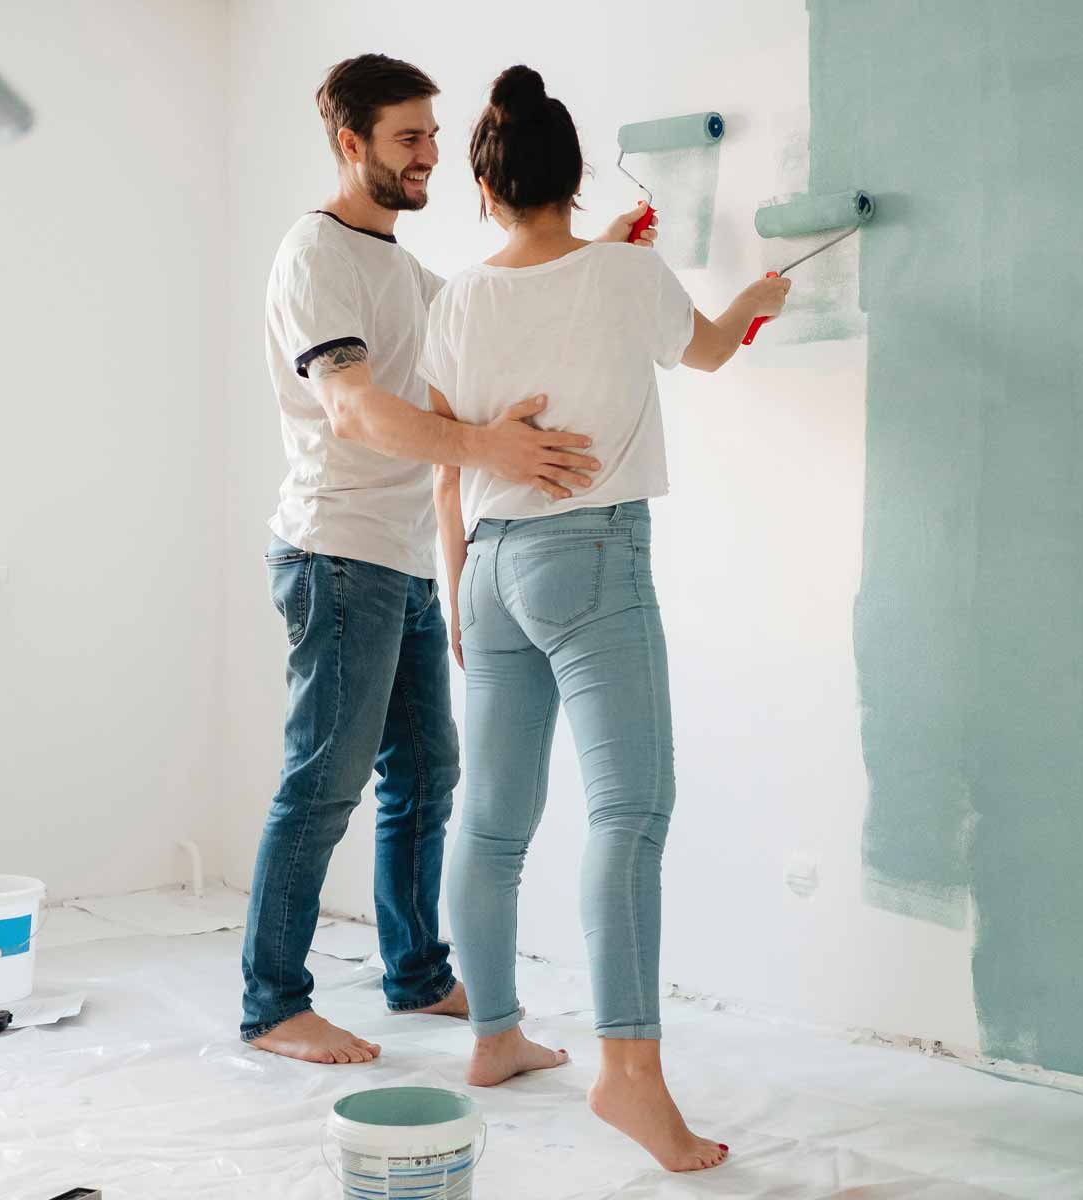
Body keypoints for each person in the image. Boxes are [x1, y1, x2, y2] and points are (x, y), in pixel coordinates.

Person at [241, 53, 657, 1066]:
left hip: (409, 558)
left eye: (434, 134)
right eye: (409, 138)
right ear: (352, 145)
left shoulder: (408, 271)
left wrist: (593, 252)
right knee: (325, 779)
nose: (430, 153)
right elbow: (354, 406)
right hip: (336, 550)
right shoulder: (316, 256)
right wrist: (484, 449)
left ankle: (418, 971)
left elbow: (489, 328)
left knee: (427, 776)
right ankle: (272, 1001)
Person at [423, 65, 791, 1171]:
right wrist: (757, 300)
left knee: (488, 821)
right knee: (630, 813)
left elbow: (447, 465)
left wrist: (454, 594)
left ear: (486, 192)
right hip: (590, 561)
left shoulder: (455, 300)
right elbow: (711, 348)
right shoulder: (627, 276)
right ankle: (628, 1075)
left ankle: (493, 1038)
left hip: (484, 565)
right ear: (574, 180)